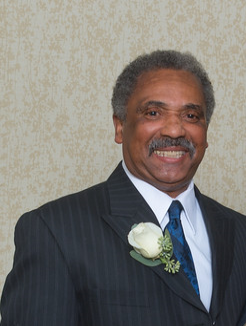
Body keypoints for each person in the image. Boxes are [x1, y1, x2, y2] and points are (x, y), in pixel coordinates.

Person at [1, 50, 246, 326]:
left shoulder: (240, 232)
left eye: (191, 115)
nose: (175, 131)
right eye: (153, 112)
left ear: (206, 131)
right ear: (119, 126)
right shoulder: (54, 231)